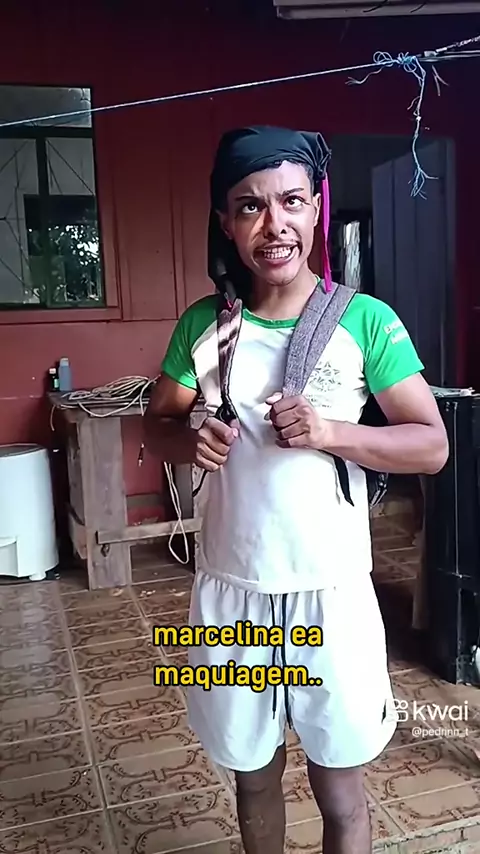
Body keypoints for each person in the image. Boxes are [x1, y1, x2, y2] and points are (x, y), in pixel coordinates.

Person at [145, 126, 449, 854]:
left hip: (330, 596)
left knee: (339, 788)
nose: (273, 223)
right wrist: (188, 437)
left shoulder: (365, 321)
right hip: (234, 596)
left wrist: (331, 431)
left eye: (290, 201)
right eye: (249, 206)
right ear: (226, 222)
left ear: (316, 208)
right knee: (253, 778)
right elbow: (156, 424)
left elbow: (431, 445)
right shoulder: (205, 326)